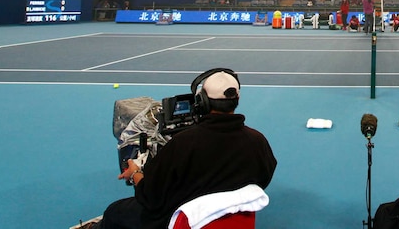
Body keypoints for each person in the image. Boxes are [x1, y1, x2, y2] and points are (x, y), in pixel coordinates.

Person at [87, 69, 277, 229]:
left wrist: (136, 172)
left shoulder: (183, 143)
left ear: (202, 101)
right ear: (237, 98)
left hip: (182, 217)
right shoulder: (257, 140)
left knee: (114, 212)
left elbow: (150, 197)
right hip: (233, 214)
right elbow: (263, 178)